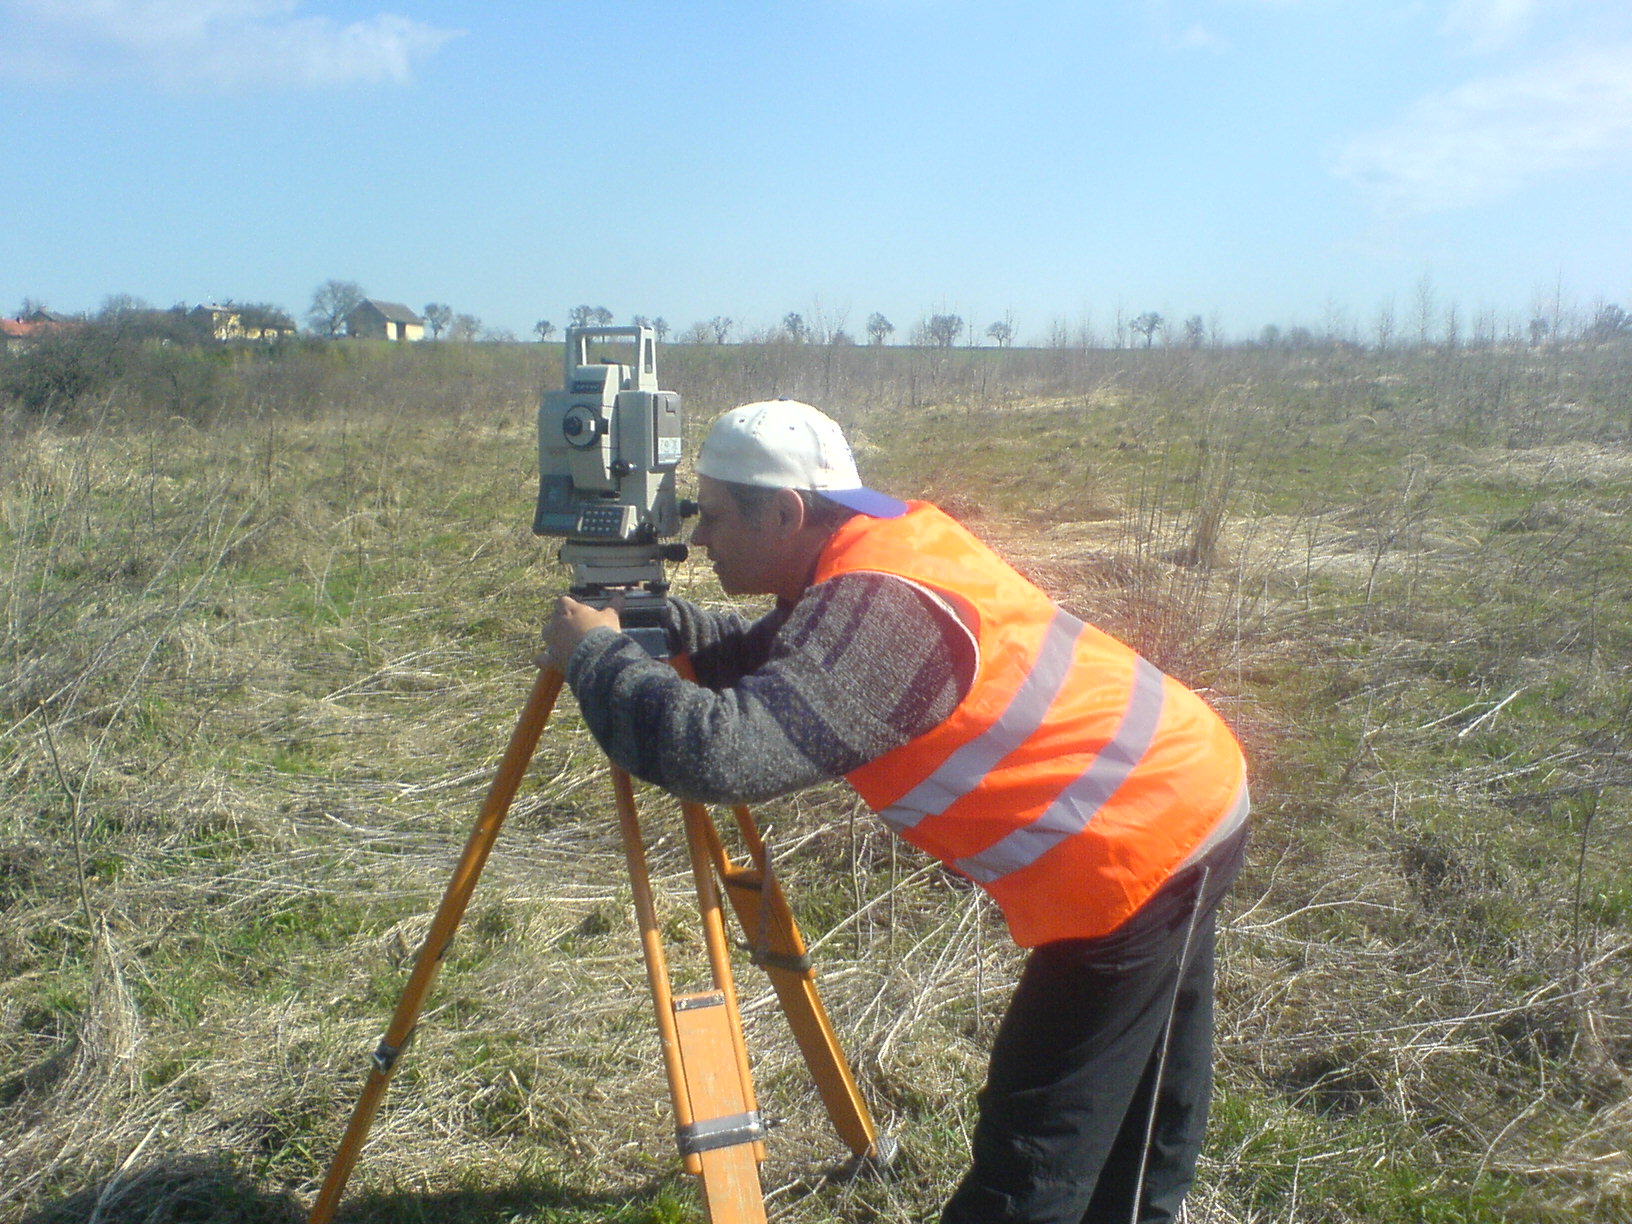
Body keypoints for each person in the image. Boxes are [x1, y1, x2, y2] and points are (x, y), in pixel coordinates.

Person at [540, 398, 1250, 1224]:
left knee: (1038, 1147)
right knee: (1144, 1071)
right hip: (1179, 789)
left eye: (716, 514)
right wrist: (652, 629)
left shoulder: (885, 615)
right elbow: (780, 652)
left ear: (786, 511)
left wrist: (595, 657)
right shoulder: (875, 546)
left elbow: (716, 753)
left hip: (1138, 845)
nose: (700, 538)